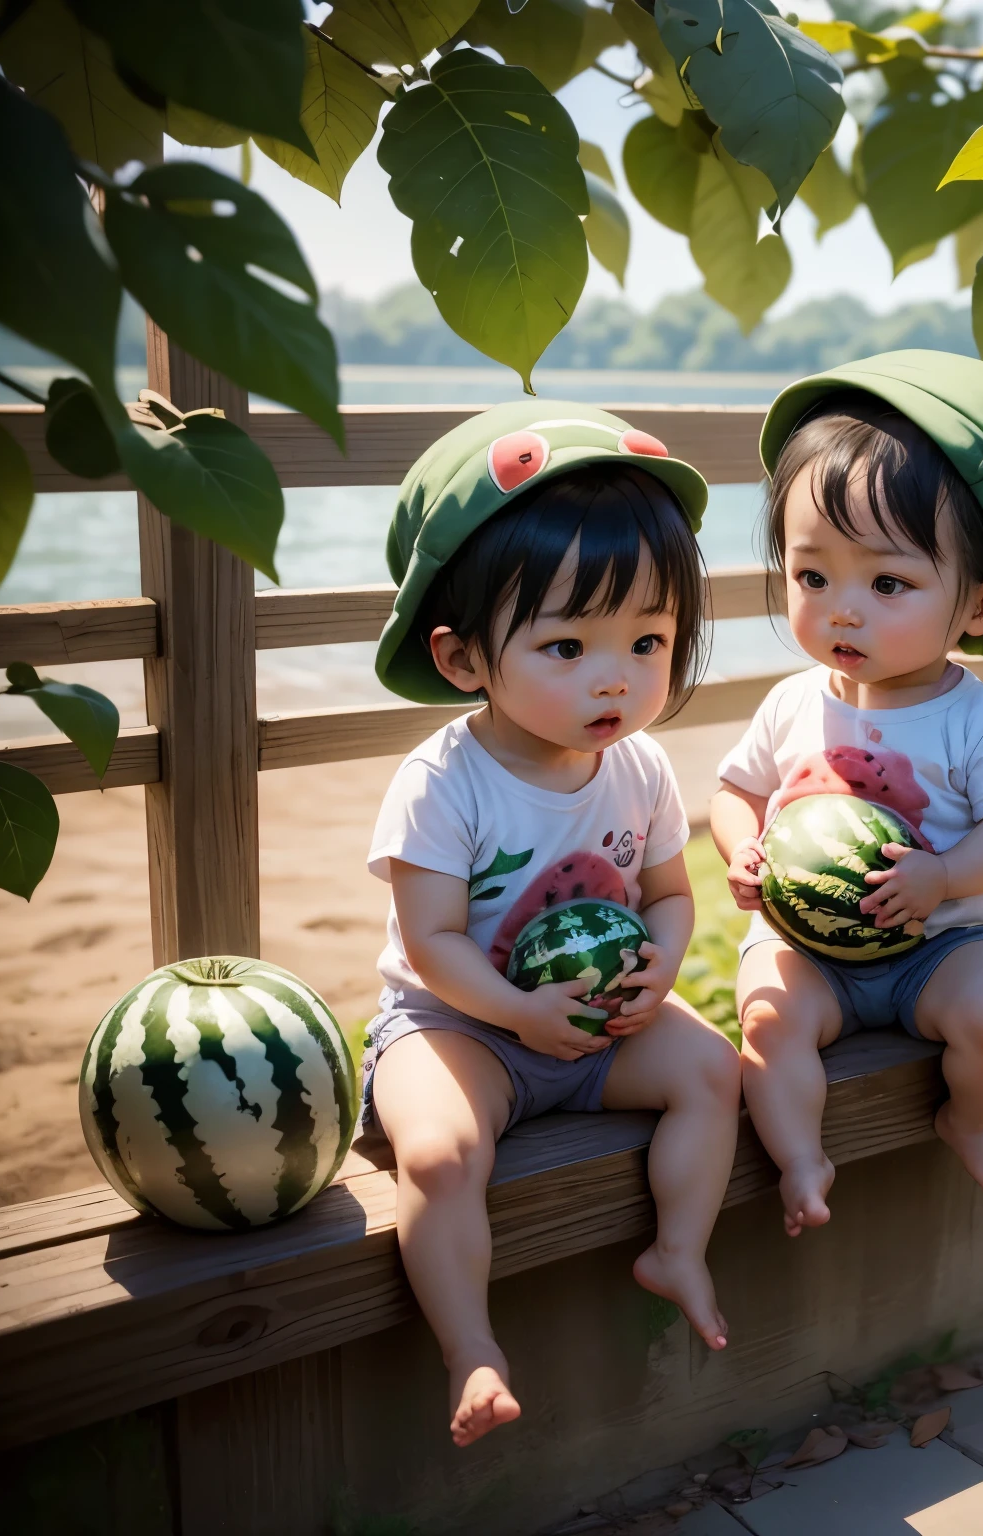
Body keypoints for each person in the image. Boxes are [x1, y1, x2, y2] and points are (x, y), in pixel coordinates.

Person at [359, 405, 742, 1446]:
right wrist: (519, 1016)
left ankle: (679, 1249)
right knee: (438, 1155)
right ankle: (470, 1349)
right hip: (459, 1027)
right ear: (464, 657)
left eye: (648, 640)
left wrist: (662, 963)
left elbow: (668, 890)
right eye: (568, 644)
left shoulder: (642, 765)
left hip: (595, 1027)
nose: (615, 676)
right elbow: (432, 943)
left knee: (716, 1074)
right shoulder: (445, 781)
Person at [710, 344, 983, 1238]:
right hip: (812, 949)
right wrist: (745, 849)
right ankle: (802, 1158)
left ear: (981, 606)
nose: (843, 608)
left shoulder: (977, 721)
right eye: (813, 576)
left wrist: (944, 877)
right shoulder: (792, 702)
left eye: (888, 582)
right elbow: (734, 792)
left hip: (940, 949)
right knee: (766, 1017)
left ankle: (966, 1116)